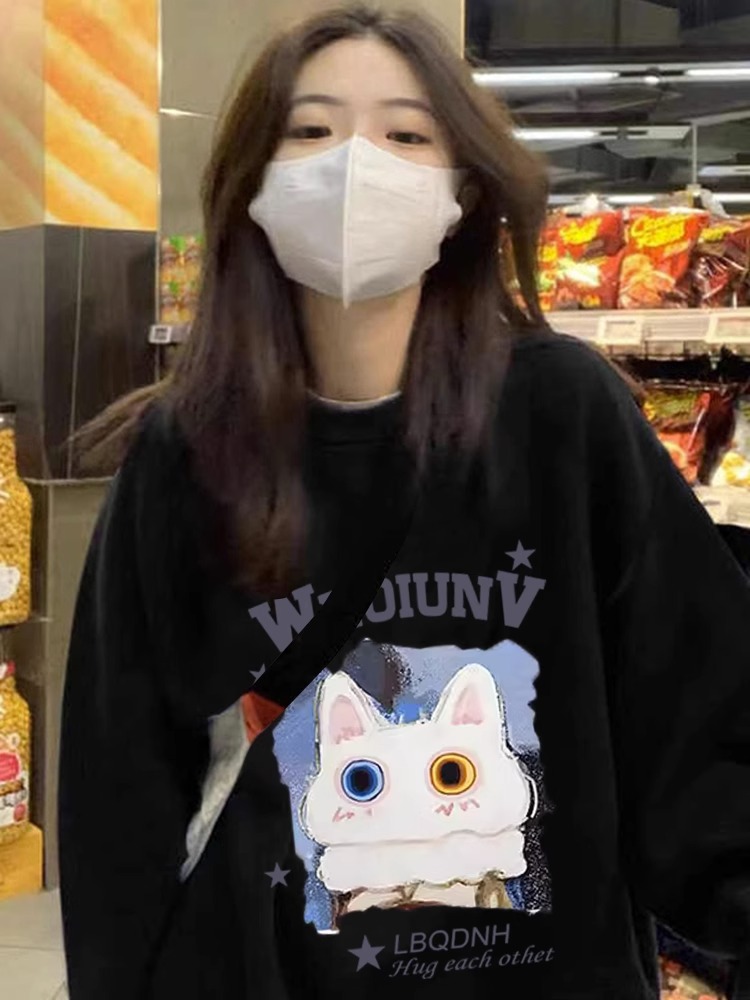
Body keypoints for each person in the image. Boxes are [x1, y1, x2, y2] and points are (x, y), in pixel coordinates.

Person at [58, 5, 750, 1000]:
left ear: (462, 191)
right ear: (253, 185)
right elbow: (120, 795)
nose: (356, 164)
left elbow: (700, 736)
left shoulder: (562, 418)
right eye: (311, 129)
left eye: (407, 134)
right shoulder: (186, 454)